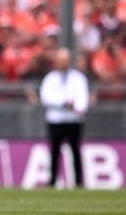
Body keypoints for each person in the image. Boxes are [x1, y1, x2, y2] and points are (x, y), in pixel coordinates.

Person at [39, 48, 89, 188]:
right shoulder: (51, 78)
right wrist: (63, 102)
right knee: (55, 151)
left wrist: (80, 107)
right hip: (56, 120)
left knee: (75, 150)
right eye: (61, 60)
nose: (63, 63)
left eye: (65, 60)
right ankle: (53, 180)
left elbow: (82, 95)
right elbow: (46, 98)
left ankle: (78, 182)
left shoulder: (78, 78)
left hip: (73, 120)